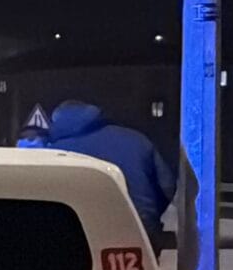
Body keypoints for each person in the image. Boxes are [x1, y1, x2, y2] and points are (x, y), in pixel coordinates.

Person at [44, 99, 176, 246]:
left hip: (77, 236)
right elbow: (167, 186)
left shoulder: (52, 154)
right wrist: (151, 217)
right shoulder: (136, 139)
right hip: (139, 231)